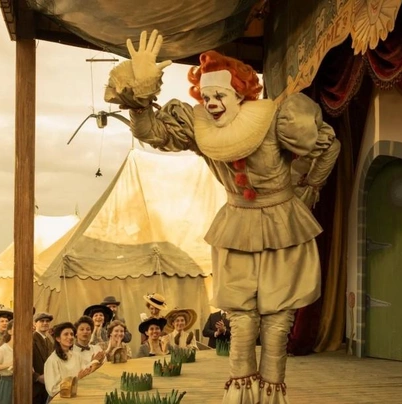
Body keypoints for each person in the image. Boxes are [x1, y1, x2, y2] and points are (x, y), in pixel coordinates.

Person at [105, 30, 339, 403]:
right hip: (236, 223)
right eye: (207, 96)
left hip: (283, 224)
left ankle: (272, 392)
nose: (212, 103)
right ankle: (241, 391)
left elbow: (329, 145)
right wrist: (140, 100)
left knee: (278, 318)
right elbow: (153, 133)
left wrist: (309, 187)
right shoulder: (200, 128)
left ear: (240, 94)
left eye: (221, 95)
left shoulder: (276, 121)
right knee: (241, 316)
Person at [44, 322, 100, 400]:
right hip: (60, 399)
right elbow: (52, 390)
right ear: (58, 339)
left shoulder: (76, 355)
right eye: (66, 334)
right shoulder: (52, 360)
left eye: (72, 334)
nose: (70, 337)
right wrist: (76, 380)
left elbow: (85, 371)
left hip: (76, 396)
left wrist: (95, 361)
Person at [32, 312, 54, 404]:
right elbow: (24, 362)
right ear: (35, 323)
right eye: (42, 321)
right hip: (35, 387)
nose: (45, 323)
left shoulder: (49, 340)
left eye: (47, 321)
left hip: (48, 385)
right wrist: (37, 377)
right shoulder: (31, 339)